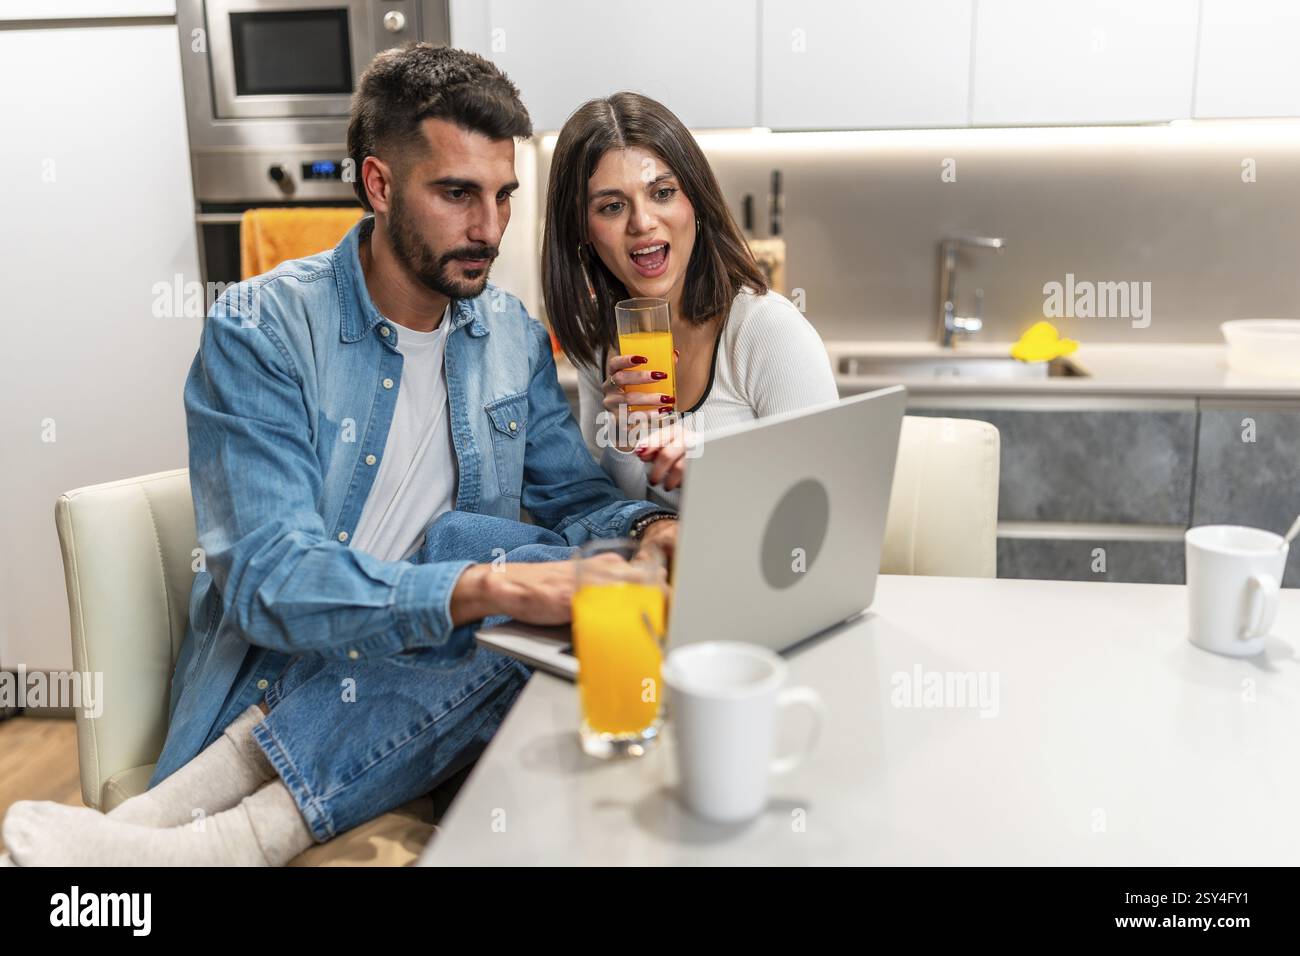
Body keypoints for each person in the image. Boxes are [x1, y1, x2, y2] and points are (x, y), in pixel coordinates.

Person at [0, 44, 675, 867]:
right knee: (491, 572)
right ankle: (233, 834)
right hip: (290, 681)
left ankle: (168, 832)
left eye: (502, 196)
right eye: (457, 194)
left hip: (445, 687)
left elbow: (576, 505)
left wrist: (648, 531)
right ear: (380, 185)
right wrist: (485, 588)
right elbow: (270, 578)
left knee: (545, 571)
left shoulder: (509, 336)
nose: (490, 229)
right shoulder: (262, 330)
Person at [542, 92, 837, 507]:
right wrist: (625, 439)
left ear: (695, 201)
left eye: (662, 193)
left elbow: (824, 502)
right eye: (611, 206)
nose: (642, 223)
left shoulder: (764, 330)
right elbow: (609, 517)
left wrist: (712, 469)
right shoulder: (600, 347)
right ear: (583, 232)